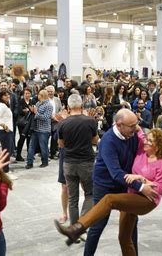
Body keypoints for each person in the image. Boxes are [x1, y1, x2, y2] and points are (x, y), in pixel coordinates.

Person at [55, 128, 162, 255]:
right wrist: (132, 124)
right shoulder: (142, 151)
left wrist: (141, 179)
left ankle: (77, 229)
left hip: (147, 200)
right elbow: (137, 129)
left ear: (158, 145)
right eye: (146, 139)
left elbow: (159, 189)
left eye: (150, 141)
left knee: (109, 199)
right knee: (124, 238)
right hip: (131, 195)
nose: (145, 141)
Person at [83, 109, 158, 256]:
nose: (136, 128)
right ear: (119, 125)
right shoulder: (108, 141)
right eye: (132, 125)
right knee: (98, 225)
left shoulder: (132, 134)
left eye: (137, 124)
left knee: (131, 224)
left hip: (126, 185)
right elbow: (116, 173)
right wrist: (141, 187)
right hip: (105, 186)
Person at [58, 94, 98, 228]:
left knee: (72, 198)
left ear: (68, 107)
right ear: (81, 106)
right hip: (86, 162)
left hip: (69, 163)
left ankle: (74, 227)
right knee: (90, 194)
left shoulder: (62, 123)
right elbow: (95, 140)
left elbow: (61, 144)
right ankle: (81, 224)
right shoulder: (90, 121)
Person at [25, 89, 53, 169]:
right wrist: (31, 110)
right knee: (31, 146)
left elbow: (46, 117)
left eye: (39, 95)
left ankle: (45, 162)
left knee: (43, 147)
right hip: (35, 128)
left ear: (42, 96)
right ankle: (29, 163)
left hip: (44, 130)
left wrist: (36, 113)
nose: (37, 96)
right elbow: (34, 113)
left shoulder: (49, 105)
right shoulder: (38, 103)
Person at [0, 91, 15, 173]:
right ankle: (5, 170)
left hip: (4, 131)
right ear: (1, 97)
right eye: (5, 95)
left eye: (8, 94)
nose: (7, 96)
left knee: (8, 150)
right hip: (4, 131)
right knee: (6, 151)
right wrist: (4, 125)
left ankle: (4, 168)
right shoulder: (2, 106)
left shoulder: (3, 105)